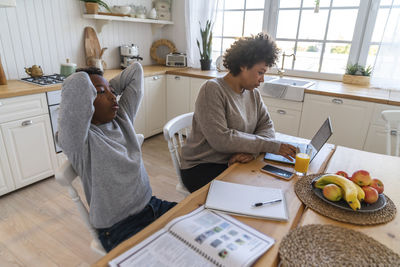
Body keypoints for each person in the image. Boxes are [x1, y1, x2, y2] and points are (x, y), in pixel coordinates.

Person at [57, 62, 176, 252]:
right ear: (85, 101)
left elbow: (135, 70)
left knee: (202, 227)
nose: (114, 96)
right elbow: (76, 83)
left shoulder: (122, 117)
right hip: (119, 227)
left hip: (152, 205)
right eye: (101, 93)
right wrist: (93, 84)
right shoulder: (79, 139)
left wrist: (105, 88)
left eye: (113, 91)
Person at [180, 33, 297, 193]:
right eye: (260, 72)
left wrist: (252, 152)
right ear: (243, 65)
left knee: (271, 186)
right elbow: (221, 139)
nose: (262, 80)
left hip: (234, 160)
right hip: (202, 166)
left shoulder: (252, 93)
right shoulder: (212, 89)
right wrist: (271, 147)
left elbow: (267, 127)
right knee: (253, 192)